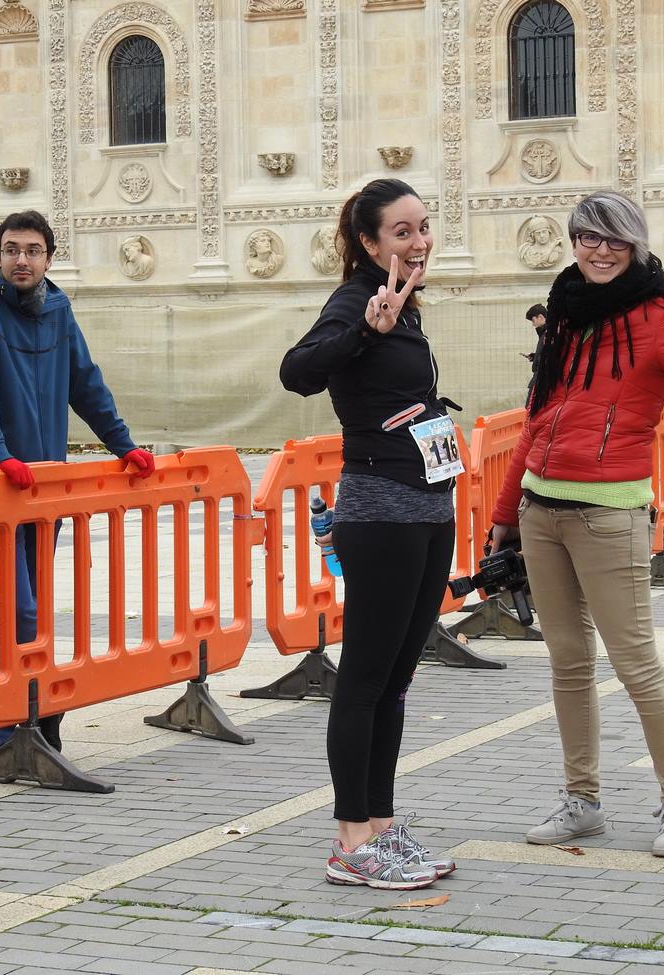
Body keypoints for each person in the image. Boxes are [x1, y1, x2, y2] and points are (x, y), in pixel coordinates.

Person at [489, 191, 664, 858]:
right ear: (573, 241)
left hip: (610, 511)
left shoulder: (661, 315)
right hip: (541, 512)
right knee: (568, 664)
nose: (599, 250)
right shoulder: (565, 312)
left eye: (613, 239)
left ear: (635, 244)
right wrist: (503, 516)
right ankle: (583, 800)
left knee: (637, 665)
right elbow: (537, 418)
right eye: (586, 237)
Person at [281, 178, 459, 891]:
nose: (418, 241)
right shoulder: (358, 301)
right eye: (401, 231)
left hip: (428, 509)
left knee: (397, 677)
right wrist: (364, 327)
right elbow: (298, 372)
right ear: (368, 243)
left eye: (423, 227)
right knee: (364, 677)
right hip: (379, 511)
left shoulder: (407, 307)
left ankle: (381, 826)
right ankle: (350, 837)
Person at [0, 210, 155, 757]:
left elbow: (85, 381)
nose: (22, 259)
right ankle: (0, 733)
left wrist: (123, 444)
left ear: (48, 258)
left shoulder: (57, 307)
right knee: (18, 608)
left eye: (33, 250)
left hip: (43, 485)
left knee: (31, 606)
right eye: (12, 249)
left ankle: (25, 719)